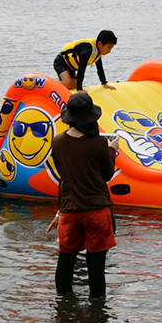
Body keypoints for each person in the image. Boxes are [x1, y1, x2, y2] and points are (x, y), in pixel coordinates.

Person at [47, 92, 118, 299]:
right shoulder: (97, 143)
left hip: (70, 210)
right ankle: (97, 312)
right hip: (96, 210)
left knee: (65, 260)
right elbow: (106, 175)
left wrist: (60, 211)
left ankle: (63, 303)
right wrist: (111, 150)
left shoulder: (58, 142)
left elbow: (65, 177)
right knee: (96, 264)